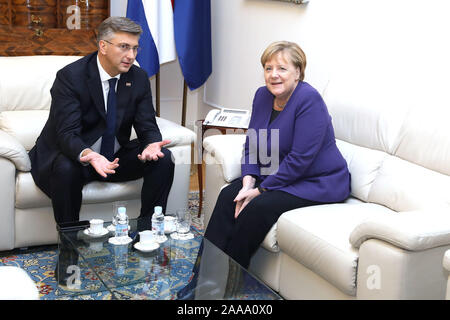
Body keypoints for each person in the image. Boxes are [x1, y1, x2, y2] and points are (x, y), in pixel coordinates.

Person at [204, 41, 351, 269]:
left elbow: (300, 160)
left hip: (315, 182)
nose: (274, 75)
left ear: (298, 72)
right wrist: (248, 182)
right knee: (228, 197)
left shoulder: (309, 100)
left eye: (282, 69)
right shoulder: (262, 96)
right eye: (268, 68)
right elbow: (252, 144)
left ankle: (226, 286)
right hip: (277, 175)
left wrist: (260, 190)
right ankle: (203, 276)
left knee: (256, 207)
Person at [29, 17, 175, 225]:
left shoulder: (138, 77)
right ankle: (70, 242)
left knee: (162, 158)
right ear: (103, 46)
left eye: (135, 49)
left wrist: (152, 143)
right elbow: (67, 134)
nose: (131, 56)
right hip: (76, 155)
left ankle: (147, 230)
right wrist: (91, 156)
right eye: (124, 47)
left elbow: (147, 125)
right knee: (65, 168)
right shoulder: (71, 77)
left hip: (113, 157)